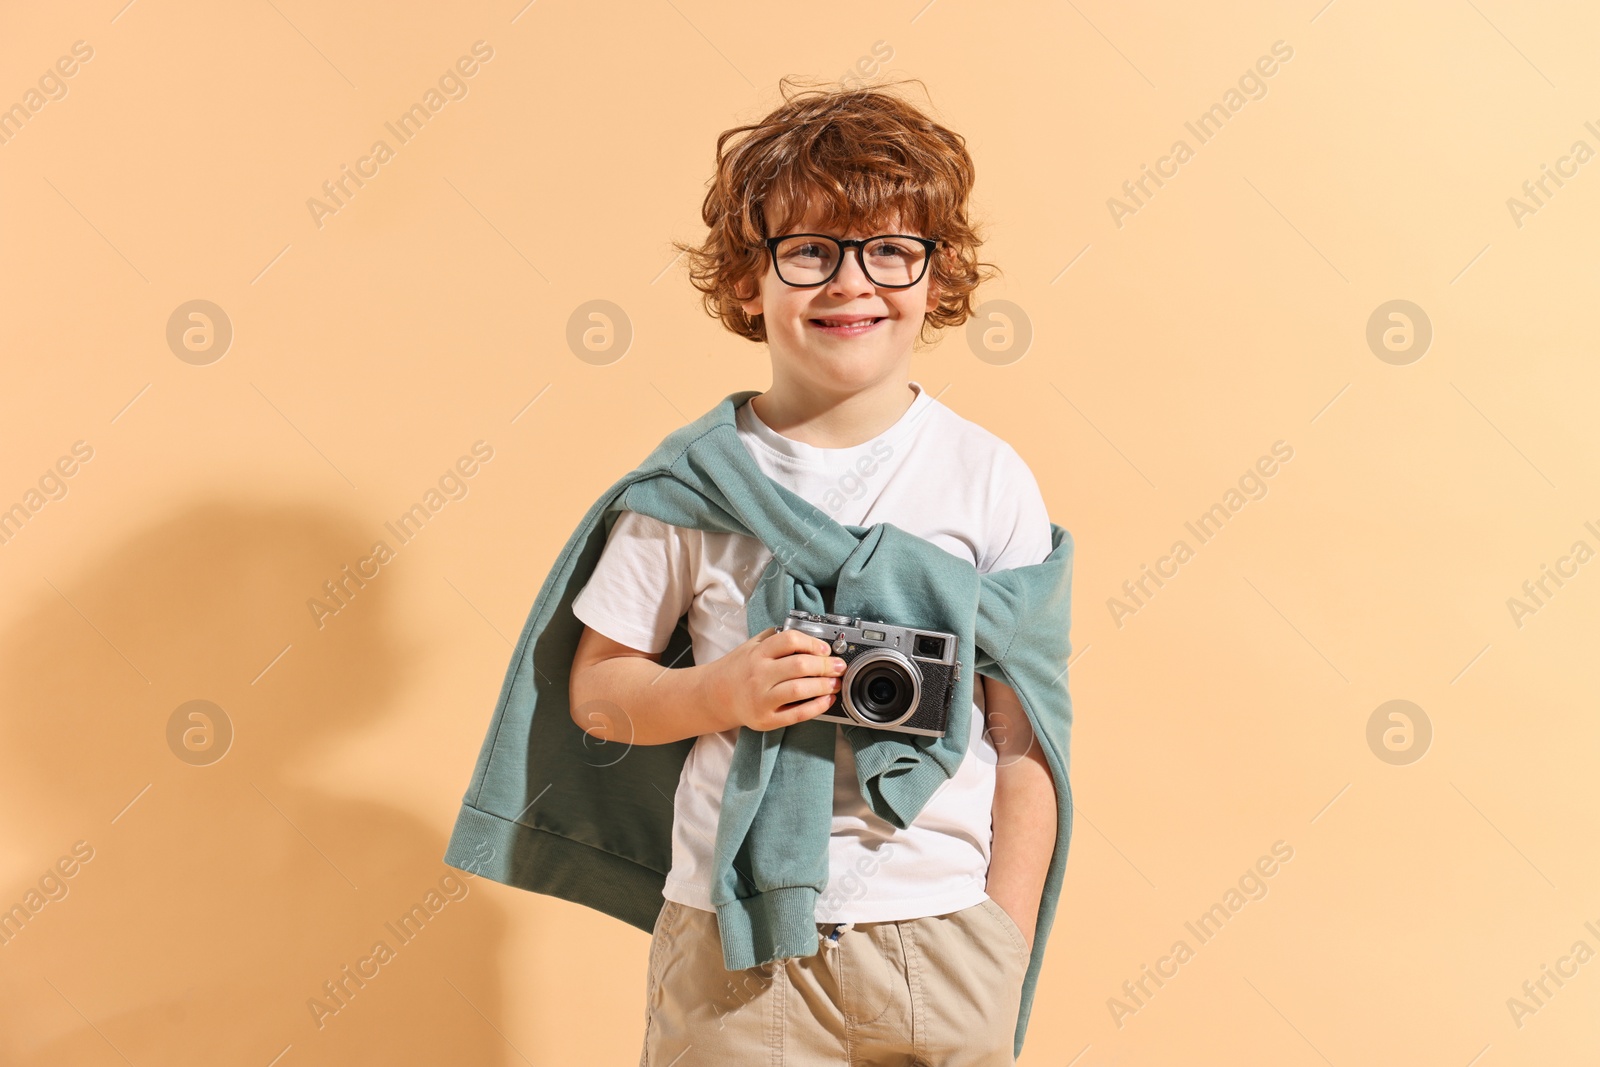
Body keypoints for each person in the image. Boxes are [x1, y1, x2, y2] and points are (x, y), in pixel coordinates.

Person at [567, 77, 1060, 1066]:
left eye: (889, 248)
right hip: (735, 943)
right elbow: (598, 690)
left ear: (936, 271)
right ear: (749, 281)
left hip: (943, 934)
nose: (850, 283)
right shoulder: (695, 485)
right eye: (808, 252)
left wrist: (998, 936)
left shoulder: (986, 478)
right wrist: (722, 689)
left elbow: (1025, 736)